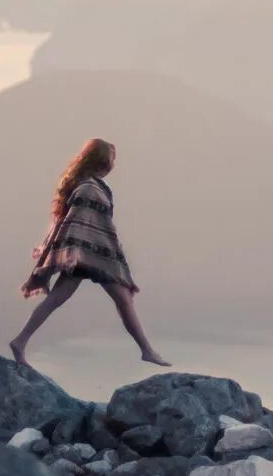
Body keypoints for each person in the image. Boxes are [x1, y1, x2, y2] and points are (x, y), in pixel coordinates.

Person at [10, 137, 170, 368]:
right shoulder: (89, 189)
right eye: (112, 160)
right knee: (123, 299)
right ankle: (147, 350)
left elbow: (83, 224)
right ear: (103, 162)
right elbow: (77, 223)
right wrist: (76, 251)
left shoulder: (85, 184)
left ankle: (20, 340)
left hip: (89, 254)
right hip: (90, 257)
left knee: (58, 298)